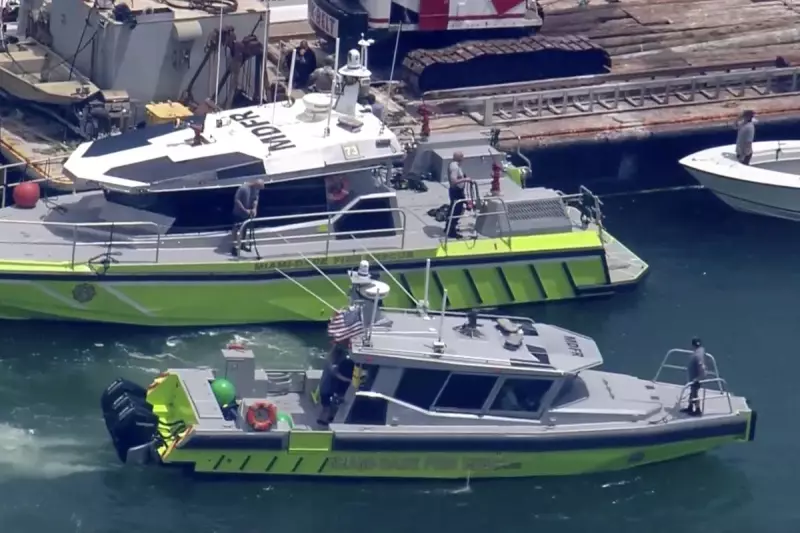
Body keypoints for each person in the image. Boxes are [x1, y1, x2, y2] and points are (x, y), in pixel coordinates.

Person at [316, 344, 355, 426]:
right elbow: (337, 375)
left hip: (324, 387)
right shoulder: (332, 365)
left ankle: (325, 418)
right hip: (326, 389)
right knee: (327, 407)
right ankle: (322, 421)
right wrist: (350, 380)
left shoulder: (328, 361)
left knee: (326, 406)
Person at [230, 179, 265, 256]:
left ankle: (242, 244)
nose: (258, 190)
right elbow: (237, 200)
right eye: (258, 188)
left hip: (247, 214)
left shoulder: (256, 190)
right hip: (238, 213)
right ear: (255, 184)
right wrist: (244, 210)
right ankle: (234, 247)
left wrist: (254, 209)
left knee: (244, 229)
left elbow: (255, 199)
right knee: (236, 230)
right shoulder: (243, 188)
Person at [445, 151, 471, 239]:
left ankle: (448, 228)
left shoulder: (455, 165)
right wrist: (465, 179)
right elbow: (454, 181)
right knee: (456, 211)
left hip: (458, 191)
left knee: (453, 209)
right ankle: (451, 231)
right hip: (455, 191)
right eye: (462, 156)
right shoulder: (455, 167)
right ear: (459, 157)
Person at [685, 337, 707, 416]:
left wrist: (698, 378)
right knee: (692, 392)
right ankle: (690, 406)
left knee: (695, 393)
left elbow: (702, 367)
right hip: (693, 377)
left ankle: (698, 410)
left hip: (696, 378)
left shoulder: (697, 355)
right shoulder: (700, 351)